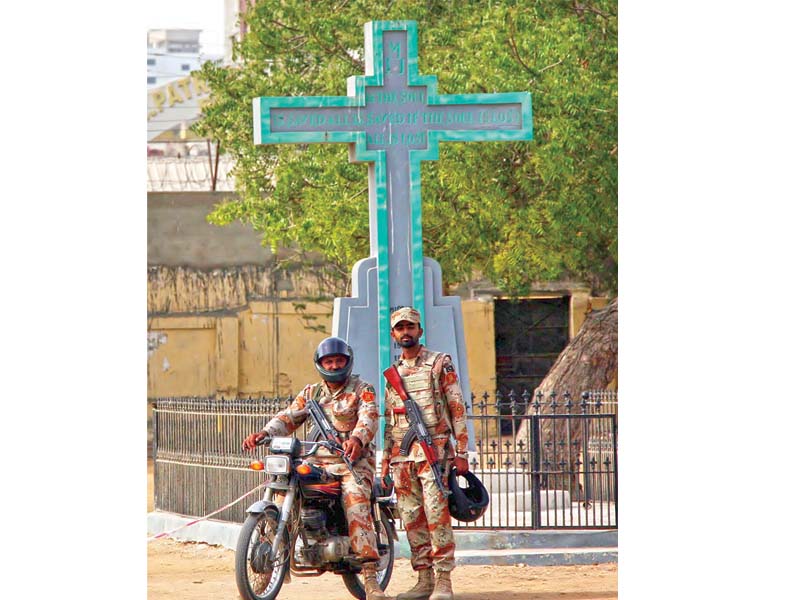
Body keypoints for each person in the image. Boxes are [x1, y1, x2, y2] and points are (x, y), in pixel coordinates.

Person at [242, 336, 393, 600]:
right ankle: (269, 568)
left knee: (356, 500)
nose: (334, 366)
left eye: (339, 361)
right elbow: (288, 417)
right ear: (320, 363)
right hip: (317, 460)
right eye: (329, 361)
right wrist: (264, 433)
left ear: (347, 362)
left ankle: (370, 577)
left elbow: (369, 417)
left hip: (352, 464)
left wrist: (357, 439)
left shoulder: (362, 389)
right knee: (286, 488)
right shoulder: (312, 393)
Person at [381, 307, 469, 600]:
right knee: (411, 518)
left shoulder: (438, 363)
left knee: (436, 515)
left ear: (420, 331)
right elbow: (388, 419)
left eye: (411, 327)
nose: (406, 332)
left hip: (434, 453)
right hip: (402, 458)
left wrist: (462, 450)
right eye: (400, 328)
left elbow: (456, 406)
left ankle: (444, 580)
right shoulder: (393, 373)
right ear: (394, 335)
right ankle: (424, 579)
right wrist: (385, 461)